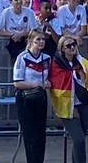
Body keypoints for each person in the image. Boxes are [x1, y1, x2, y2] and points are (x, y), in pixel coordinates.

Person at [16, 31, 55, 163]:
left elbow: (51, 78)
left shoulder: (47, 58)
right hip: (25, 99)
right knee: (30, 135)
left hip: (40, 98)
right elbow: (17, 82)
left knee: (40, 135)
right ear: (31, 41)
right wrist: (36, 84)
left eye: (43, 39)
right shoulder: (22, 57)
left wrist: (49, 83)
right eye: (38, 39)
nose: (41, 42)